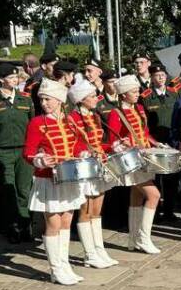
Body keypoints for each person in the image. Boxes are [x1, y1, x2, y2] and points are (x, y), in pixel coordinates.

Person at [23, 79, 87, 286]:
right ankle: (55, 269)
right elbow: (28, 153)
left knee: (67, 220)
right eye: (42, 99)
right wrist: (41, 160)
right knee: (53, 222)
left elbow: (77, 144)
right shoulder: (37, 123)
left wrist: (83, 152)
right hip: (48, 178)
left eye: (48, 99)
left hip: (69, 177)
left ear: (59, 100)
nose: (44, 103)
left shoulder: (70, 121)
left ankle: (65, 263)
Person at [106, 75, 162, 254]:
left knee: (136, 197)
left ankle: (133, 239)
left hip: (143, 157)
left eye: (137, 90)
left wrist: (156, 143)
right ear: (123, 94)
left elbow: (144, 133)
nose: (138, 94)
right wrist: (124, 144)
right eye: (134, 91)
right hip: (130, 161)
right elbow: (113, 141)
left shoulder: (138, 108)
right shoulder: (116, 113)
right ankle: (144, 238)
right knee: (154, 195)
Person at [67, 81, 117, 267]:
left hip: (99, 164)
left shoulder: (95, 116)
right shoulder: (72, 118)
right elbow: (72, 143)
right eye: (93, 95)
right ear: (81, 99)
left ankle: (99, 249)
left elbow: (100, 141)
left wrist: (112, 146)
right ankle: (89, 254)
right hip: (85, 166)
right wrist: (84, 151)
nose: (97, 98)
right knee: (86, 210)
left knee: (96, 209)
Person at [0, 62, 34, 243]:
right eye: (11, 77)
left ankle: (25, 225)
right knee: (8, 190)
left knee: (24, 189)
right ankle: (12, 227)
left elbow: (33, 127)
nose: (15, 80)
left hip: (24, 152)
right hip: (3, 151)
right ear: (1, 79)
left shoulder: (26, 99)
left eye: (16, 77)